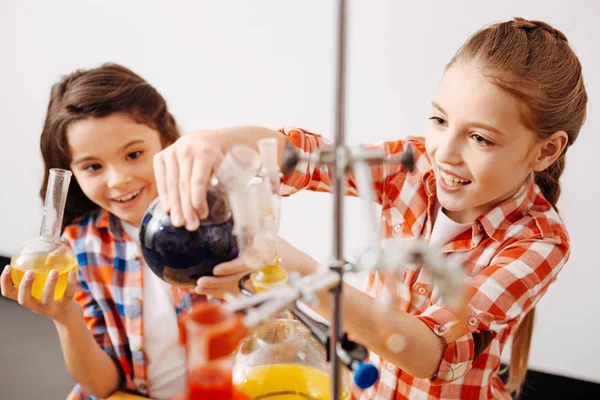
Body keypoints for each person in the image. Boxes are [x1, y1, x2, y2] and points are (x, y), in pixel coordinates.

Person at [153, 17, 587, 399]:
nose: (445, 153)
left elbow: (431, 353)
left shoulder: (539, 240)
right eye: (439, 120)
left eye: (481, 139)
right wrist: (213, 143)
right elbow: (308, 158)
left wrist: (304, 274)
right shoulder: (413, 166)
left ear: (546, 150)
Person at [1, 63, 205, 400]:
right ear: (72, 172)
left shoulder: (210, 221)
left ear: (166, 140)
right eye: (93, 166)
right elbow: (103, 388)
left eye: (134, 154)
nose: (118, 180)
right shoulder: (80, 248)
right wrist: (66, 317)